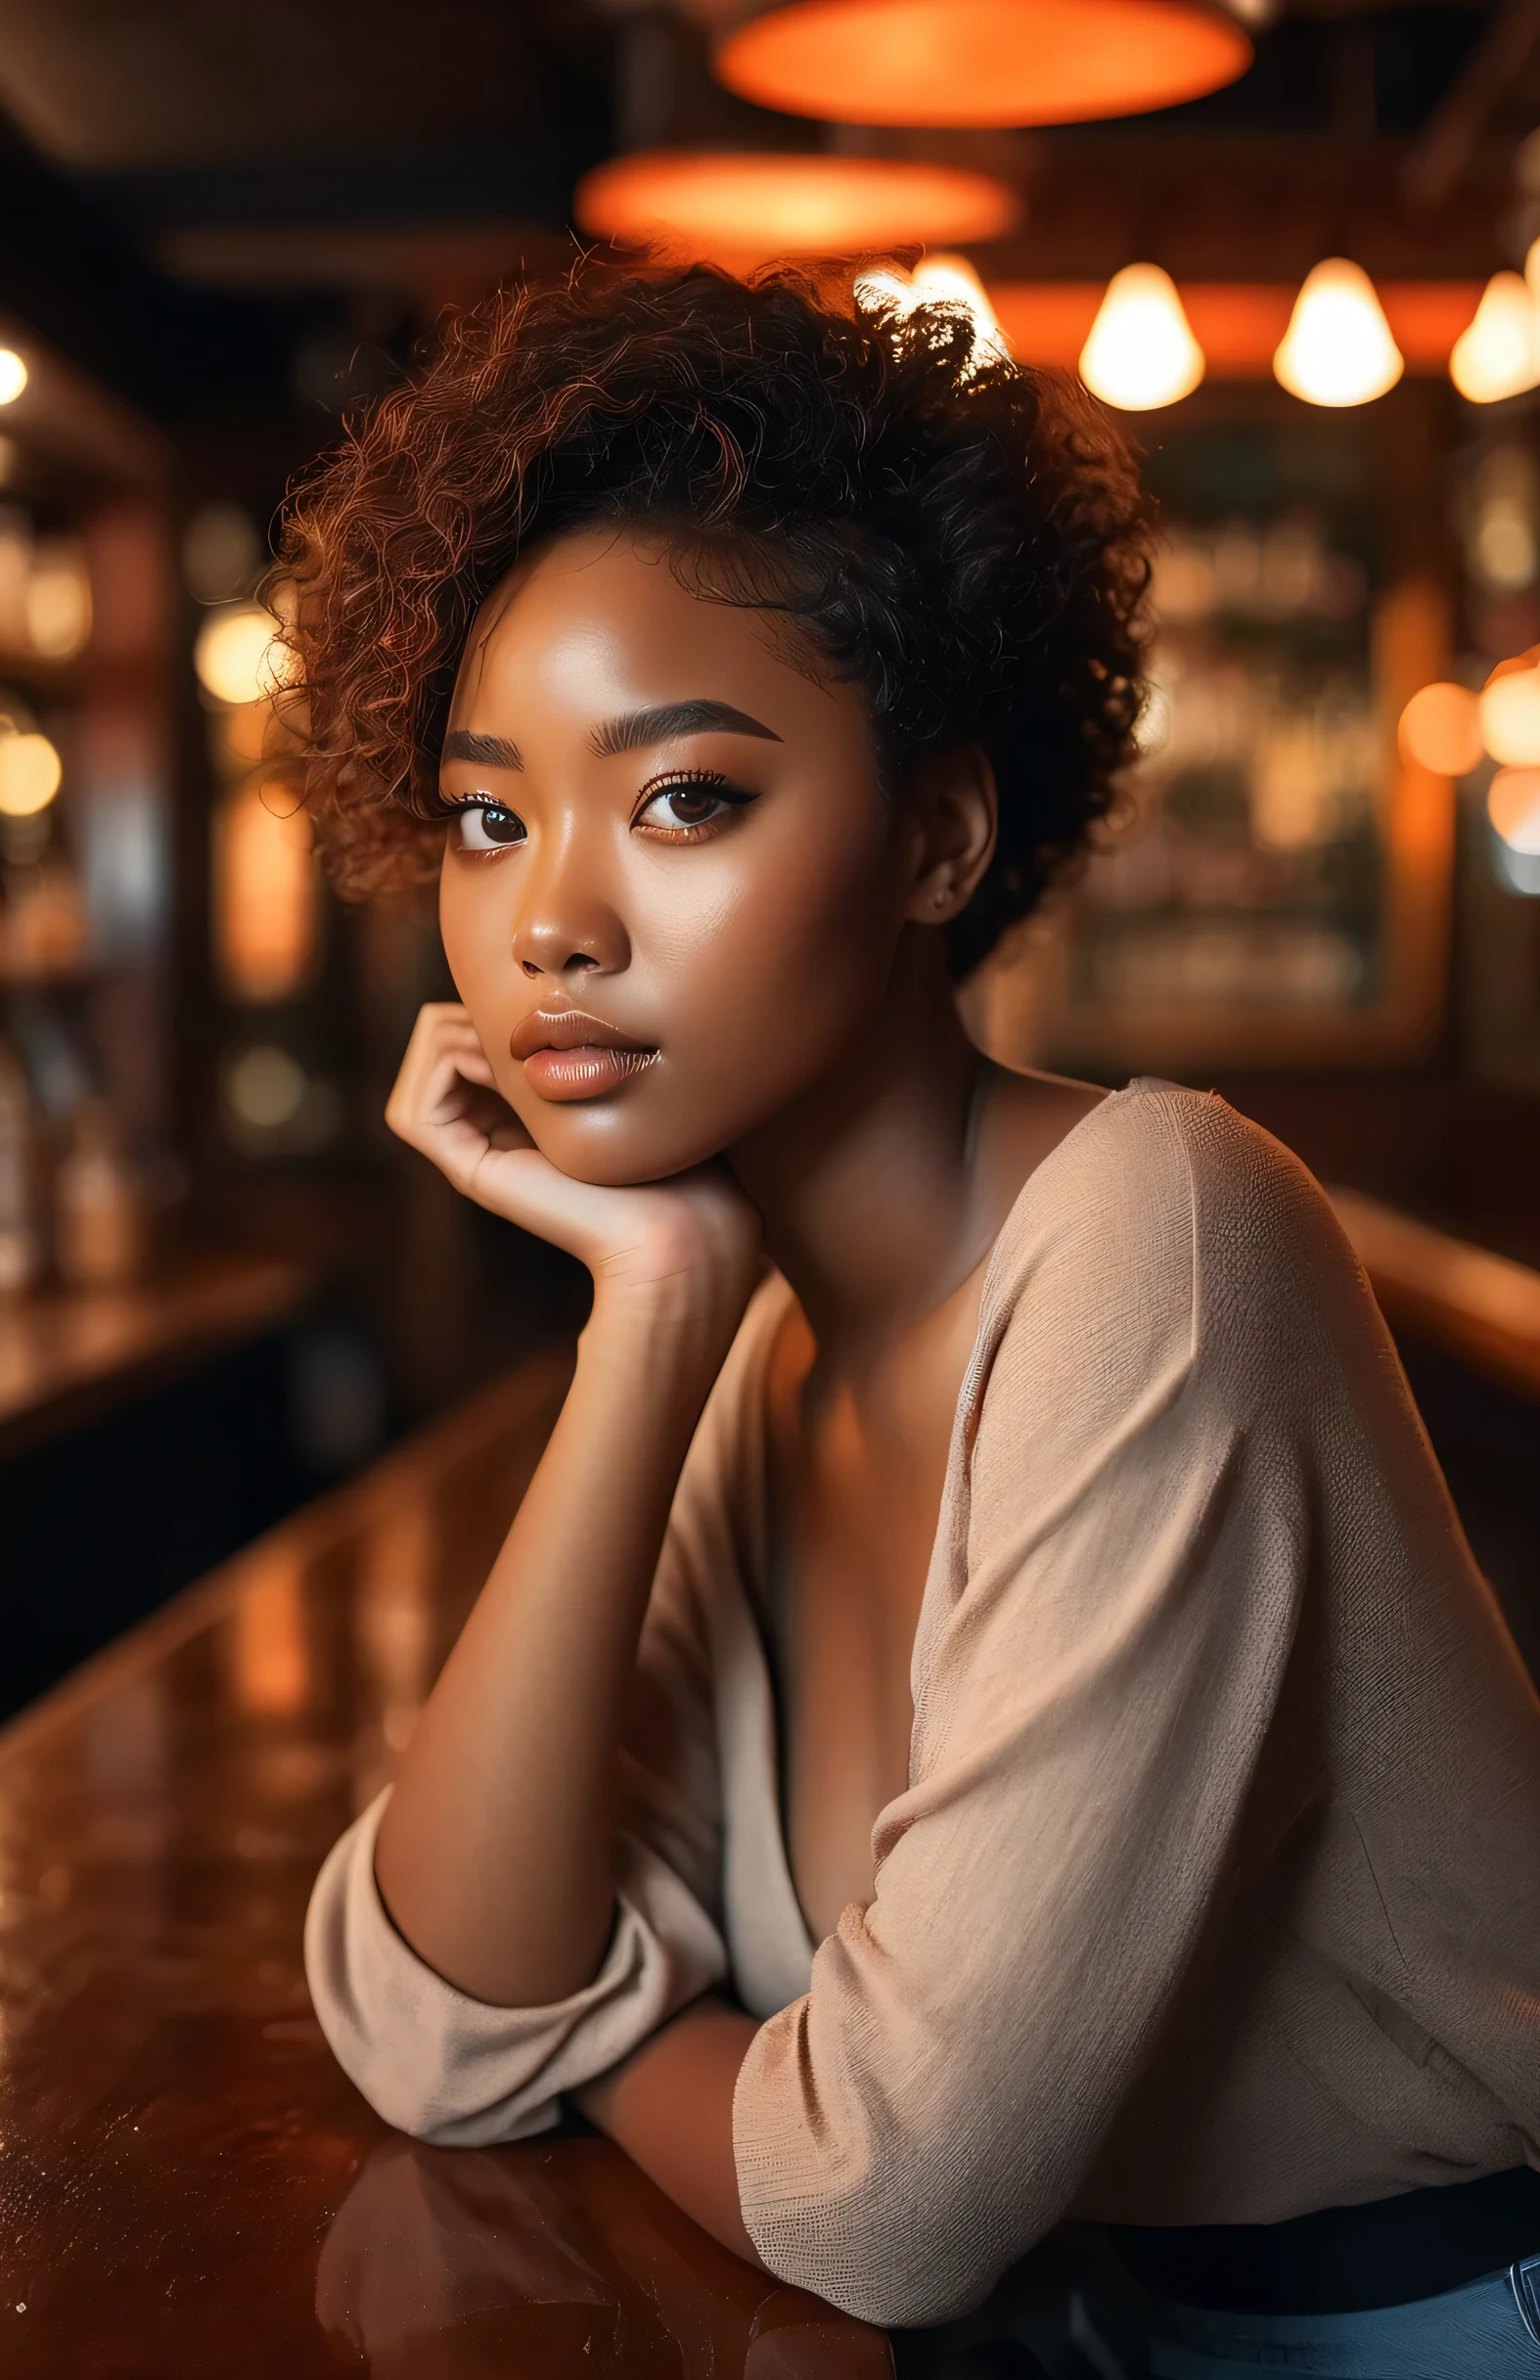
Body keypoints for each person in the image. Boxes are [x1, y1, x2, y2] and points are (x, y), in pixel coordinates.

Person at [294, 262, 1540, 2372]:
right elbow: (420, 2004)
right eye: (492, 815)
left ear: (940, 836)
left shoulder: (1162, 1230)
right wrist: (656, 1303)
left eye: (685, 796)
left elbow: (886, 2196)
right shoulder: (758, 1334)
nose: (554, 919)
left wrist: (595, 2020)